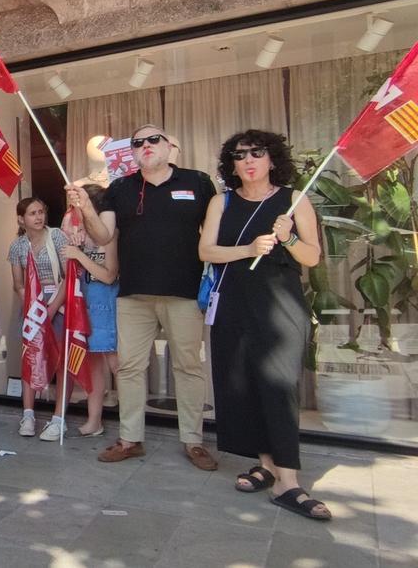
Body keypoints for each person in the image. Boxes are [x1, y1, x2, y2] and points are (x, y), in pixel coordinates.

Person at [66, 123, 218, 470]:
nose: (146, 145)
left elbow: (216, 229)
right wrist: (86, 208)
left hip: (183, 291)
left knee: (188, 367)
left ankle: (193, 441)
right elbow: (103, 236)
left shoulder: (197, 182)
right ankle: (130, 438)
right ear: (131, 153)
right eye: (138, 142)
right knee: (131, 368)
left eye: (154, 139)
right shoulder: (121, 187)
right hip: (133, 294)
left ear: (169, 146)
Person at [199, 130, 329, 520]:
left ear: (273, 159)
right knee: (244, 388)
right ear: (232, 164)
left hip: (281, 309)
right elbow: (205, 250)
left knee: (279, 388)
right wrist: (249, 249)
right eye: (240, 155)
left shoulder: (293, 201)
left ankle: (289, 482)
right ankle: (265, 465)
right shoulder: (220, 202)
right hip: (234, 307)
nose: (249, 160)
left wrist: (287, 240)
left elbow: (312, 258)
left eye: (258, 153)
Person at [7, 197, 69, 440]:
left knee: (61, 362)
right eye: (32, 213)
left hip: (59, 304)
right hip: (33, 306)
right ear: (21, 219)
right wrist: (33, 306)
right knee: (31, 357)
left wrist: (51, 308)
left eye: (41, 212)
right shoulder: (17, 246)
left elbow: (68, 276)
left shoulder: (57, 237)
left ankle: (58, 418)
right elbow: (18, 284)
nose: (39, 217)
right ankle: (29, 414)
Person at [61, 184, 119, 437]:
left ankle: (130, 425)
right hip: (84, 304)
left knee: (118, 365)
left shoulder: (110, 234)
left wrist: (80, 255)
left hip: (107, 303)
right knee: (93, 365)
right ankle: (94, 419)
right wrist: (74, 252)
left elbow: (109, 275)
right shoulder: (77, 237)